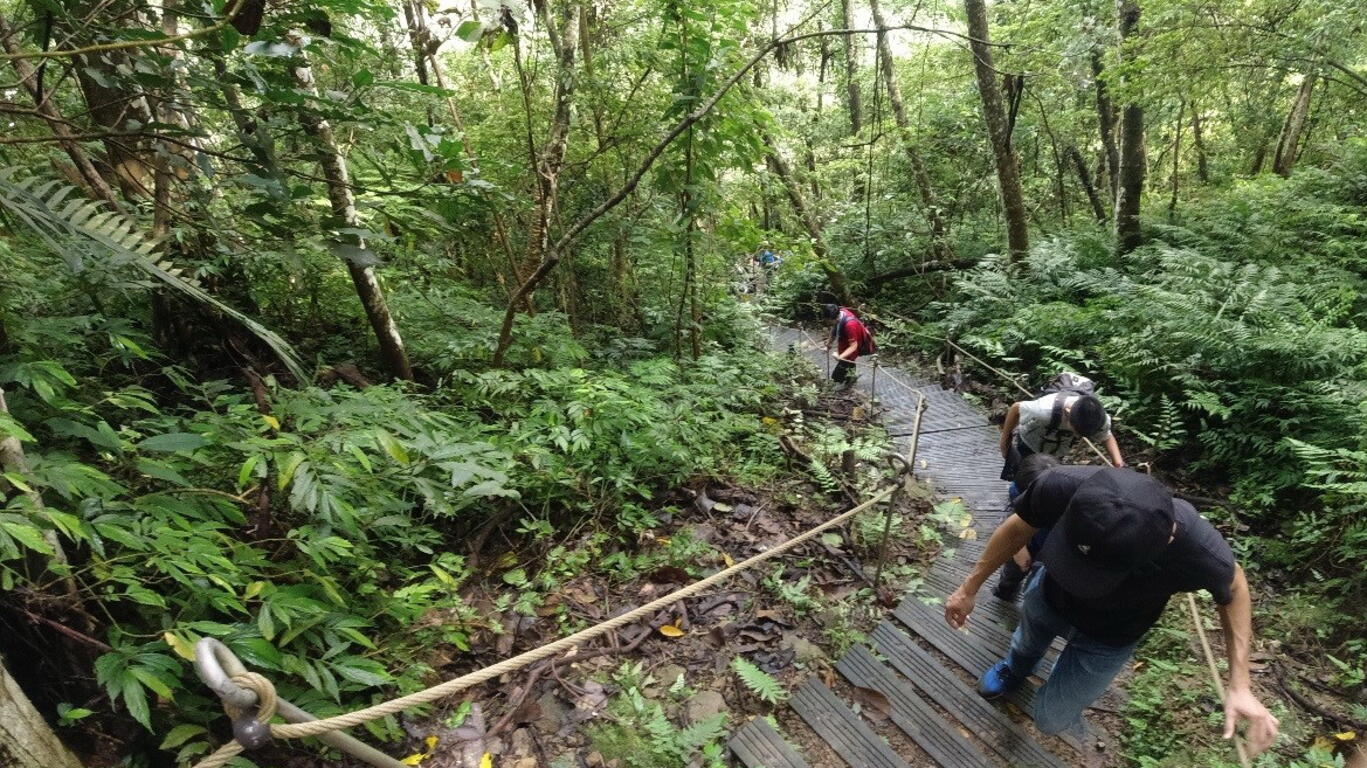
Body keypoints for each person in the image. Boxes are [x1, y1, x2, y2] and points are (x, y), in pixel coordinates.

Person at [944, 467, 1280, 757]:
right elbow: (1018, 527)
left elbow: (1235, 588)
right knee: (1025, 644)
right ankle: (1014, 670)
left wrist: (1240, 684)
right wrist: (968, 588)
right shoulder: (1062, 485)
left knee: (1052, 717)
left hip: (1111, 636)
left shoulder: (1197, 550)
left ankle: (1061, 675)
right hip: (1048, 596)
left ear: (1163, 544)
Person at [994, 382, 1125, 599]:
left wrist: (1119, 464)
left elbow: (1107, 436)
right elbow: (1016, 407)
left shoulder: (1095, 418)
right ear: (1067, 413)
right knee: (1023, 486)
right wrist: (1005, 438)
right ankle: (1008, 585)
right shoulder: (1043, 409)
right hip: (1030, 445)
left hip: (1054, 456)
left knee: (1043, 481)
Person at [822, 304, 874, 388]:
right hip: (845, 341)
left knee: (837, 376)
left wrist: (840, 357)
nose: (828, 323)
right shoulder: (839, 313)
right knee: (849, 364)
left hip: (853, 345)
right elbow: (834, 329)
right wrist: (828, 345)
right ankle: (850, 379)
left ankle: (846, 381)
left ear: (835, 318)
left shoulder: (850, 325)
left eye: (828, 321)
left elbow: (854, 346)